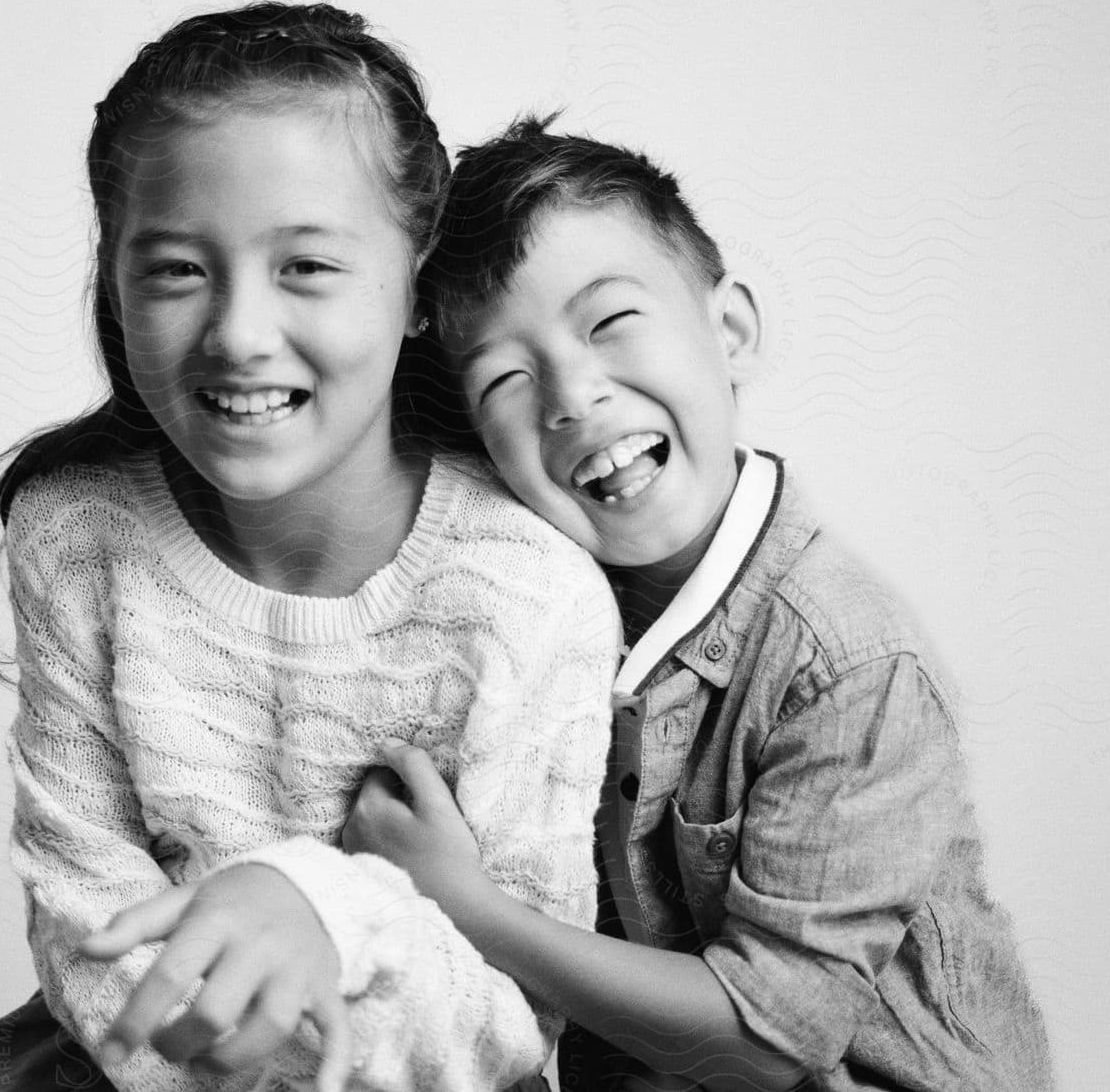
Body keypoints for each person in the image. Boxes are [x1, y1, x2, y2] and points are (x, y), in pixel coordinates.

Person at [0, 9, 620, 1092]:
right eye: (175, 270)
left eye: (307, 264)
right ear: (112, 281)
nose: (240, 333)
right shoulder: (78, 537)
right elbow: (88, 932)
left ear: (416, 285)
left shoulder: (523, 590)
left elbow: (505, 1023)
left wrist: (322, 908)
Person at [345, 117, 1057, 1091]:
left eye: (609, 322)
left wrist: (469, 903)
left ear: (729, 333)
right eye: (506, 377)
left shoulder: (848, 661)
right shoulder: (531, 611)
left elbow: (767, 1041)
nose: (573, 394)